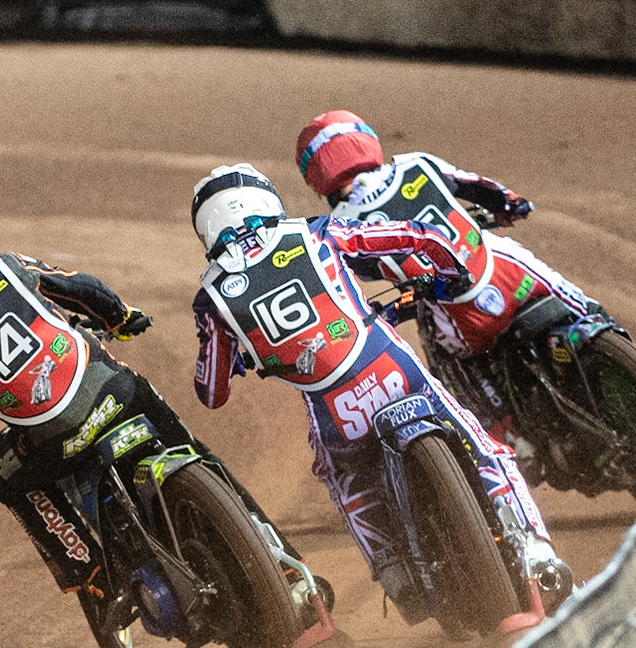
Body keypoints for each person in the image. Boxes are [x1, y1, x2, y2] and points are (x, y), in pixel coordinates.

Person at [0, 205, 321, 624]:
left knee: (5, 474)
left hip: (55, 443)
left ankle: (94, 575)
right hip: (118, 393)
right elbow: (82, 289)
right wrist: (120, 319)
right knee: (198, 452)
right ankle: (282, 562)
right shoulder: (5, 266)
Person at [188, 165, 573, 618]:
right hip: (392, 368)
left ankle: (395, 572)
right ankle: (537, 554)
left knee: (346, 481)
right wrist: (452, 274)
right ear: (266, 200)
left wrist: (242, 357)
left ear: (207, 228)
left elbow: (211, 392)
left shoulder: (210, 298)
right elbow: (415, 238)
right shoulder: (316, 232)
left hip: (334, 412)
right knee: (485, 449)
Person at [294, 110, 604, 477]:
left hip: (462, 317)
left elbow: (345, 288)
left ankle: (509, 436)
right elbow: (482, 188)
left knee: (447, 358)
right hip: (510, 271)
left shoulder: (341, 225)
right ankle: (604, 332)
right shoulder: (417, 164)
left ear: (317, 177)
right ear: (367, 141)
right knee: (584, 307)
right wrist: (512, 206)